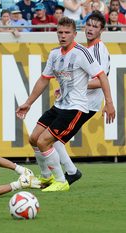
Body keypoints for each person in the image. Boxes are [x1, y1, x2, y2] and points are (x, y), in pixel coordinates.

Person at [16, 17, 115, 192]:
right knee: (34, 139)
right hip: (60, 105)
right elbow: (43, 79)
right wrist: (28, 103)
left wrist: (109, 103)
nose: (63, 36)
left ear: (74, 34)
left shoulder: (84, 53)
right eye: (60, 32)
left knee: (46, 141)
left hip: (77, 107)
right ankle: (47, 177)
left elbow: (102, 77)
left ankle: (61, 180)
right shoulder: (55, 54)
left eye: (67, 32)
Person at [53, 11, 111, 185]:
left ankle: (69, 173)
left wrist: (71, 87)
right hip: (77, 101)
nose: (90, 29)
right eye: (89, 25)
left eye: (95, 26)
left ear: (101, 30)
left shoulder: (99, 49)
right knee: (52, 138)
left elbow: (101, 79)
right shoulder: (86, 49)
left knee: (51, 137)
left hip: (87, 104)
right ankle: (70, 172)